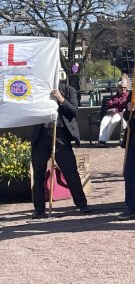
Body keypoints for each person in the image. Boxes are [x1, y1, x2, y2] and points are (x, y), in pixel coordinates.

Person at [30, 82, 91, 219]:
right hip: (41, 136)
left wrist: (60, 98)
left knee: (70, 171)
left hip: (61, 135)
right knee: (38, 173)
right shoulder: (38, 89)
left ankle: (82, 204)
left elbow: (73, 111)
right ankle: (39, 209)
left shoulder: (69, 90)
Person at [97, 82, 129, 147]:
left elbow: (124, 104)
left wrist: (116, 104)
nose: (123, 89)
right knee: (104, 122)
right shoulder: (115, 96)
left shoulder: (128, 96)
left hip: (120, 114)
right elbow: (110, 103)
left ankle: (104, 139)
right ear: (118, 88)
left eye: (124, 87)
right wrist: (115, 105)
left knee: (113, 122)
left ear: (126, 88)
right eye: (121, 87)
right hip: (110, 113)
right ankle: (101, 141)